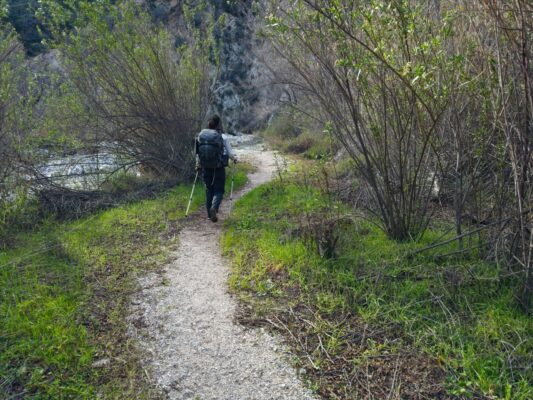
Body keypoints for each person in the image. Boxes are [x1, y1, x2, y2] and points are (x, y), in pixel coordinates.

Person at [195, 115, 238, 222]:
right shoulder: (223, 137)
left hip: (205, 167)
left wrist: (198, 165)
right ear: (219, 124)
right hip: (218, 168)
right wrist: (235, 158)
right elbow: (230, 152)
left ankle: (210, 215)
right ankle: (214, 208)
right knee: (219, 190)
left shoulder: (201, 136)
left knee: (209, 190)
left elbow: (197, 153)